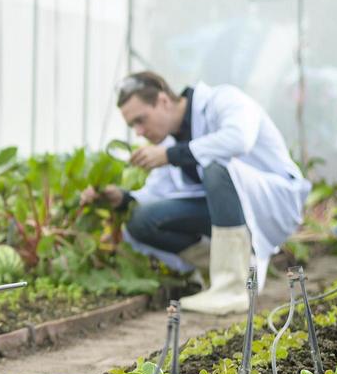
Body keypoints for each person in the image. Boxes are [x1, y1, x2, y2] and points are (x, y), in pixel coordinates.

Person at [81, 71, 310, 315]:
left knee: (216, 166)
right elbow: (157, 191)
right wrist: (122, 198)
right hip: (225, 208)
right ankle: (223, 273)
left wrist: (171, 156)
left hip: (272, 200)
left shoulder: (224, 100)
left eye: (141, 120)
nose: (138, 132)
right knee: (141, 220)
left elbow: (239, 139)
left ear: (163, 101)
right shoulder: (171, 141)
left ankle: (233, 288)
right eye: (132, 126)